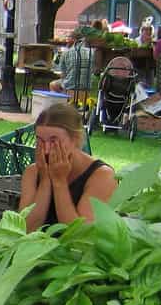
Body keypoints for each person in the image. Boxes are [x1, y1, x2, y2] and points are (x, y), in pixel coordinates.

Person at [19, 103, 116, 232]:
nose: (46, 150)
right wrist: (45, 180)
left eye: (54, 141)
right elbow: (25, 230)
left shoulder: (102, 176)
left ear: (75, 139)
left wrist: (59, 183)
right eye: (40, 140)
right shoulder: (33, 172)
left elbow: (78, 237)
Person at [50, 27, 93, 95]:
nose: (67, 40)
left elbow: (63, 75)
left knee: (53, 84)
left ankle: (60, 102)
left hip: (71, 86)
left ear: (73, 40)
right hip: (87, 86)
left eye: (69, 38)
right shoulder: (91, 52)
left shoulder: (67, 52)